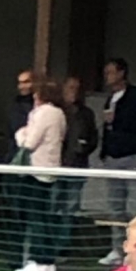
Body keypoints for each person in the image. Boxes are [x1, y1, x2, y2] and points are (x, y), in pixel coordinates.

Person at [98, 57, 136, 267]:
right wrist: (104, 151)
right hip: (113, 156)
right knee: (115, 206)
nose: (107, 77)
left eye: (111, 72)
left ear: (121, 73)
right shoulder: (110, 98)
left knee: (135, 205)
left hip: (132, 155)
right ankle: (117, 248)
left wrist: (118, 119)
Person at [13, 76, 66, 271]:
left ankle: (39, 259)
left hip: (37, 170)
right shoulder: (60, 114)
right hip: (50, 169)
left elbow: (29, 142)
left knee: (36, 217)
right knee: (43, 215)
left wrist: (20, 133)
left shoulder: (43, 113)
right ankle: (46, 260)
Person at [55, 75, 98, 260]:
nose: (74, 91)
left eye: (77, 88)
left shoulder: (86, 113)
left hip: (77, 166)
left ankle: (62, 247)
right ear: (63, 89)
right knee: (53, 206)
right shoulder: (56, 110)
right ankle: (48, 245)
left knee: (70, 208)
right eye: (71, 87)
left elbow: (94, 138)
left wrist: (84, 148)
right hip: (55, 167)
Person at [7, 68, 34, 159]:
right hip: (16, 152)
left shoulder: (41, 105)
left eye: (26, 82)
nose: (22, 86)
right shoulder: (15, 104)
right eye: (20, 83)